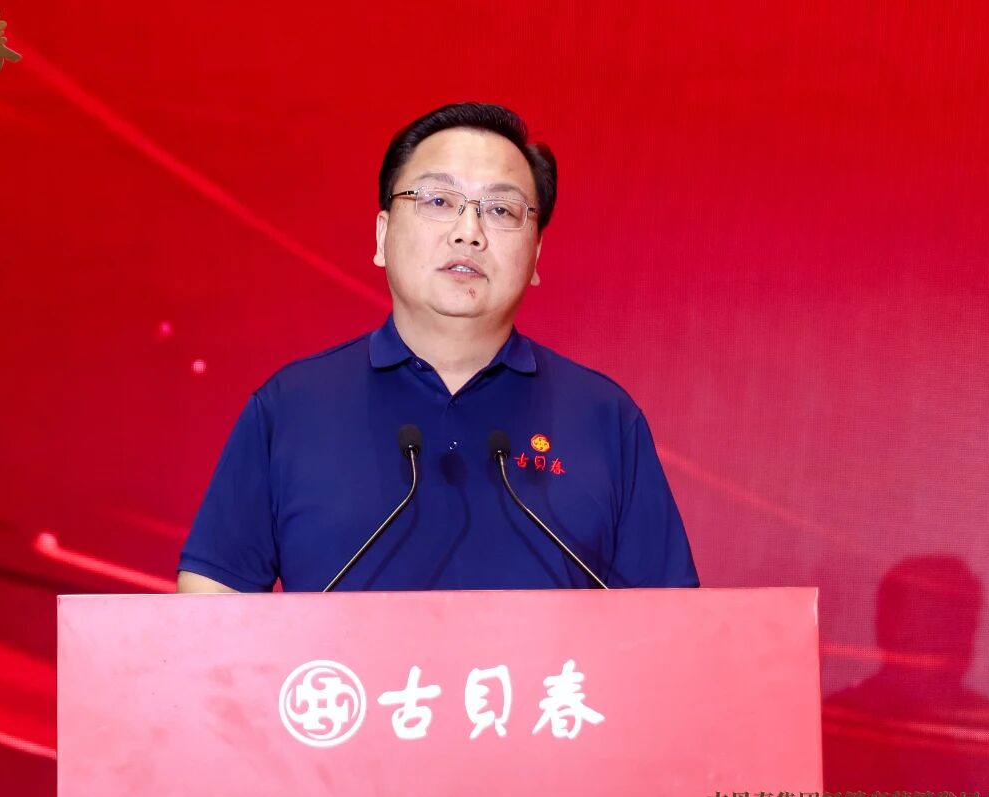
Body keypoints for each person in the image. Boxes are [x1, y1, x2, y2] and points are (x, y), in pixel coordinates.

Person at [177, 102, 697, 594]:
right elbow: (211, 599)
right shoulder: (290, 408)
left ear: (537, 254)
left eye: (501, 209)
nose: (468, 233)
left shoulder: (604, 418)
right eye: (438, 201)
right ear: (382, 236)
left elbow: (671, 623)